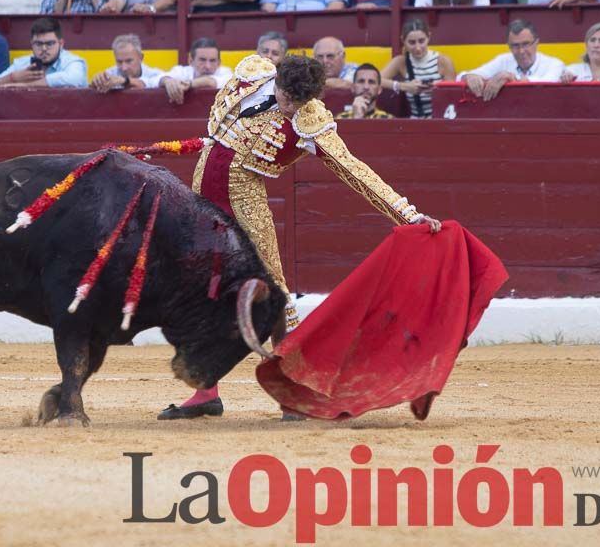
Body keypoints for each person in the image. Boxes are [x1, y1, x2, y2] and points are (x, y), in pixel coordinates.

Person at [158, 53, 439, 419]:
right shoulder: (253, 72)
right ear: (276, 81)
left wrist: (408, 214)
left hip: (244, 200)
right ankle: (206, 393)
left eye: (296, 102)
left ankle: (294, 392)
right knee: (202, 288)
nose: (289, 107)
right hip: (203, 191)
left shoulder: (310, 119)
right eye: (286, 97)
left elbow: (353, 170)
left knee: (274, 291)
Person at [460, 19, 565, 100]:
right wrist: (470, 77)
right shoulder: (503, 60)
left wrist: (512, 78)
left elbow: (547, 83)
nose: (521, 51)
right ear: (509, 46)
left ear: (537, 42)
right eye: (515, 46)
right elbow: (463, 76)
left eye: (526, 44)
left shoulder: (555, 64)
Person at [379, 18, 457, 118]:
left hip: (441, 120)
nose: (418, 47)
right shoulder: (401, 62)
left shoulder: (443, 61)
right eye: (412, 42)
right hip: (416, 122)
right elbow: (376, 79)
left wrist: (436, 90)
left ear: (429, 37)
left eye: (421, 41)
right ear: (403, 40)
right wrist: (403, 86)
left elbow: (453, 97)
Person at [0, 16, 88, 89]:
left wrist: (29, 85)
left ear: (61, 44)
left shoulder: (72, 61)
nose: (44, 48)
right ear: (31, 44)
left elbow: (76, 78)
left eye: (49, 43)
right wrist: (13, 78)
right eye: (38, 44)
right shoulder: (22, 64)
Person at [158, 37, 232, 104]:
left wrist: (189, 84)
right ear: (191, 60)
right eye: (202, 60)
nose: (207, 66)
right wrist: (168, 81)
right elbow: (158, 79)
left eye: (212, 61)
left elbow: (211, 81)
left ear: (219, 63)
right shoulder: (182, 71)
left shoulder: (226, 73)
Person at [89, 33, 164, 93]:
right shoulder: (109, 75)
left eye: (129, 61)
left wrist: (124, 81)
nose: (124, 68)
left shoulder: (156, 75)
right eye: (119, 62)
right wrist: (96, 82)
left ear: (141, 57)